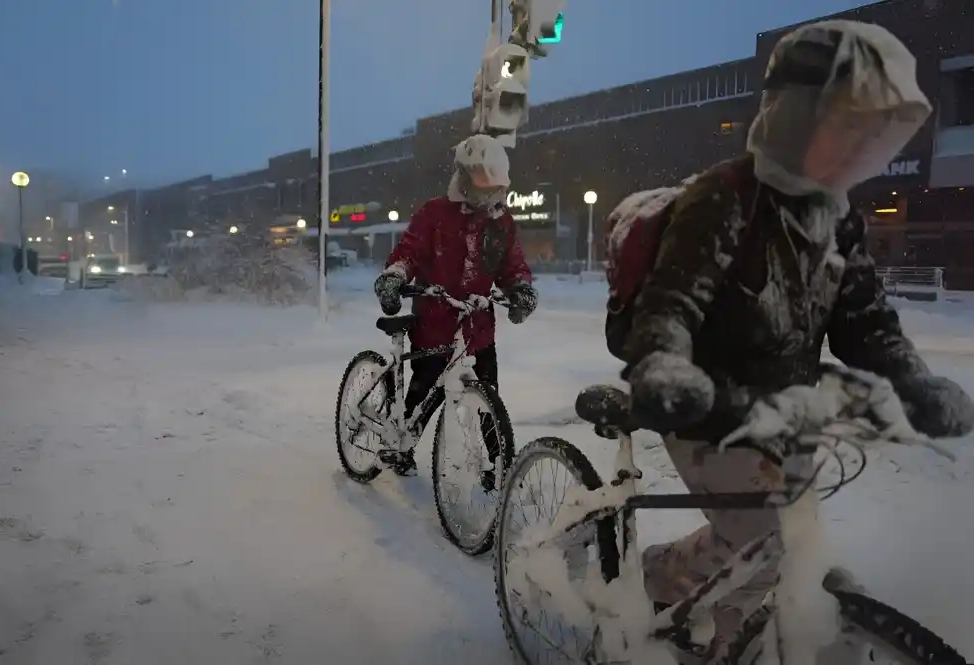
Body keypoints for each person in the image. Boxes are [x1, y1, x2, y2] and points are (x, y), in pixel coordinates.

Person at [608, 20, 974, 663]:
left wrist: (912, 380)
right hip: (704, 406)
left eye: (869, 135)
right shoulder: (722, 200)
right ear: (793, 118)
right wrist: (667, 367)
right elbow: (672, 305)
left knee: (773, 547)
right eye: (843, 126)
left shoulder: (837, 218)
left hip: (783, 411)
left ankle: (714, 621)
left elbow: (866, 321)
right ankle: (668, 588)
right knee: (766, 544)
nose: (855, 148)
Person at [373, 134, 538, 476]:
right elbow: (410, 252)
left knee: (489, 402)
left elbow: (512, 264)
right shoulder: (434, 214)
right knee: (422, 391)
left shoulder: (501, 222)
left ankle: (501, 468)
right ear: (463, 177)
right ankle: (401, 443)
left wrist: (520, 288)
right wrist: (395, 274)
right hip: (434, 324)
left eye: (493, 181)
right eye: (480, 179)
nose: (488, 189)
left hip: (478, 328)